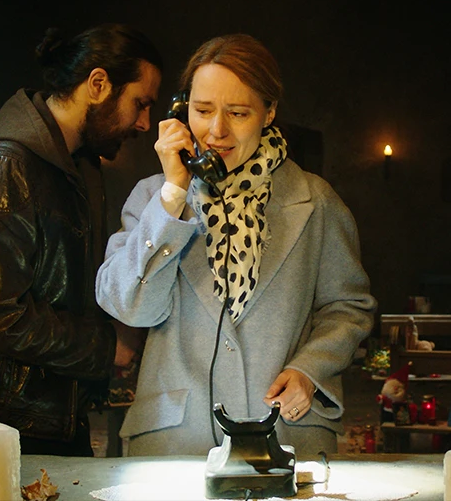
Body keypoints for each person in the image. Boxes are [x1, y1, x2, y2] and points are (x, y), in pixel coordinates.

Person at [95, 33, 376, 458]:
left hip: (286, 435)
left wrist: (310, 369)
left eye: (239, 113)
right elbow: (130, 306)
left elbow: (348, 307)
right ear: (181, 109)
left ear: (269, 112)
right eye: (202, 110)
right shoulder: (153, 199)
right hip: (174, 440)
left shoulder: (315, 201)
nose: (216, 131)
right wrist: (173, 195)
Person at [0, 23, 162, 456]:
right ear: (98, 84)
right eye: (139, 104)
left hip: (53, 408)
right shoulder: (4, 165)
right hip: (3, 424)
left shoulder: (78, 164)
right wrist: (107, 346)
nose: (145, 123)